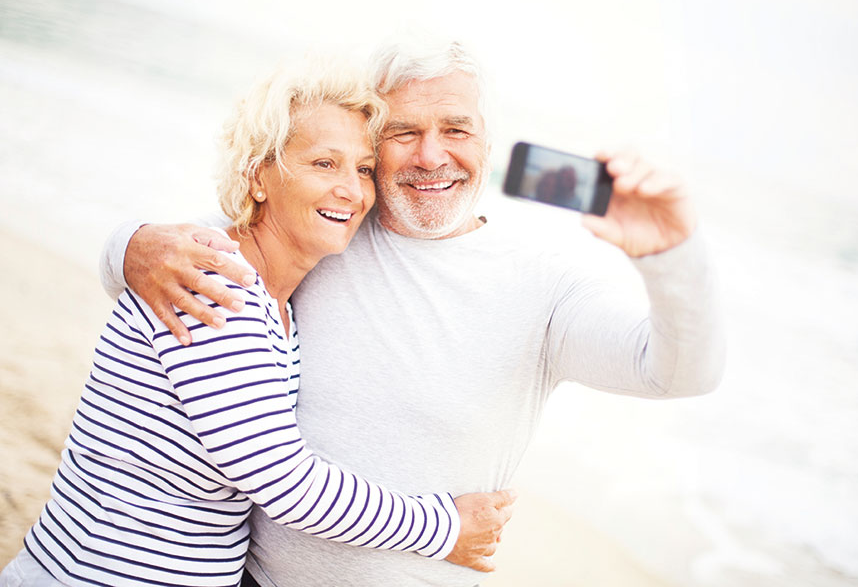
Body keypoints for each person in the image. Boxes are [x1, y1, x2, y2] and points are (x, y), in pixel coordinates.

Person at [98, 39, 726, 587]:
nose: (431, 156)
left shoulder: (545, 282)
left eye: (455, 129)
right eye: (404, 133)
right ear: (375, 140)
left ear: (487, 139)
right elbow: (189, 254)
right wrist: (130, 243)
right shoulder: (332, 225)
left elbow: (677, 374)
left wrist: (672, 256)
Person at [0, 64, 512, 587]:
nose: (352, 192)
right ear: (256, 175)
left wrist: (127, 243)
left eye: (362, 169)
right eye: (323, 163)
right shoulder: (216, 286)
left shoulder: (248, 275)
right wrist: (445, 527)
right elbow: (286, 483)